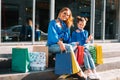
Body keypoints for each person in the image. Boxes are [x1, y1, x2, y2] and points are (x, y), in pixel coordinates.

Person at [47, 7, 87, 79]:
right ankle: (78, 71)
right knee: (69, 47)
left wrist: (75, 43)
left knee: (73, 45)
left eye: (68, 15)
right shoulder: (53, 23)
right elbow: (52, 37)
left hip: (63, 45)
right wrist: (60, 42)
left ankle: (69, 71)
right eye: (64, 13)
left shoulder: (65, 25)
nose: (65, 16)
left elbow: (68, 39)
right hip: (52, 46)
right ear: (60, 12)